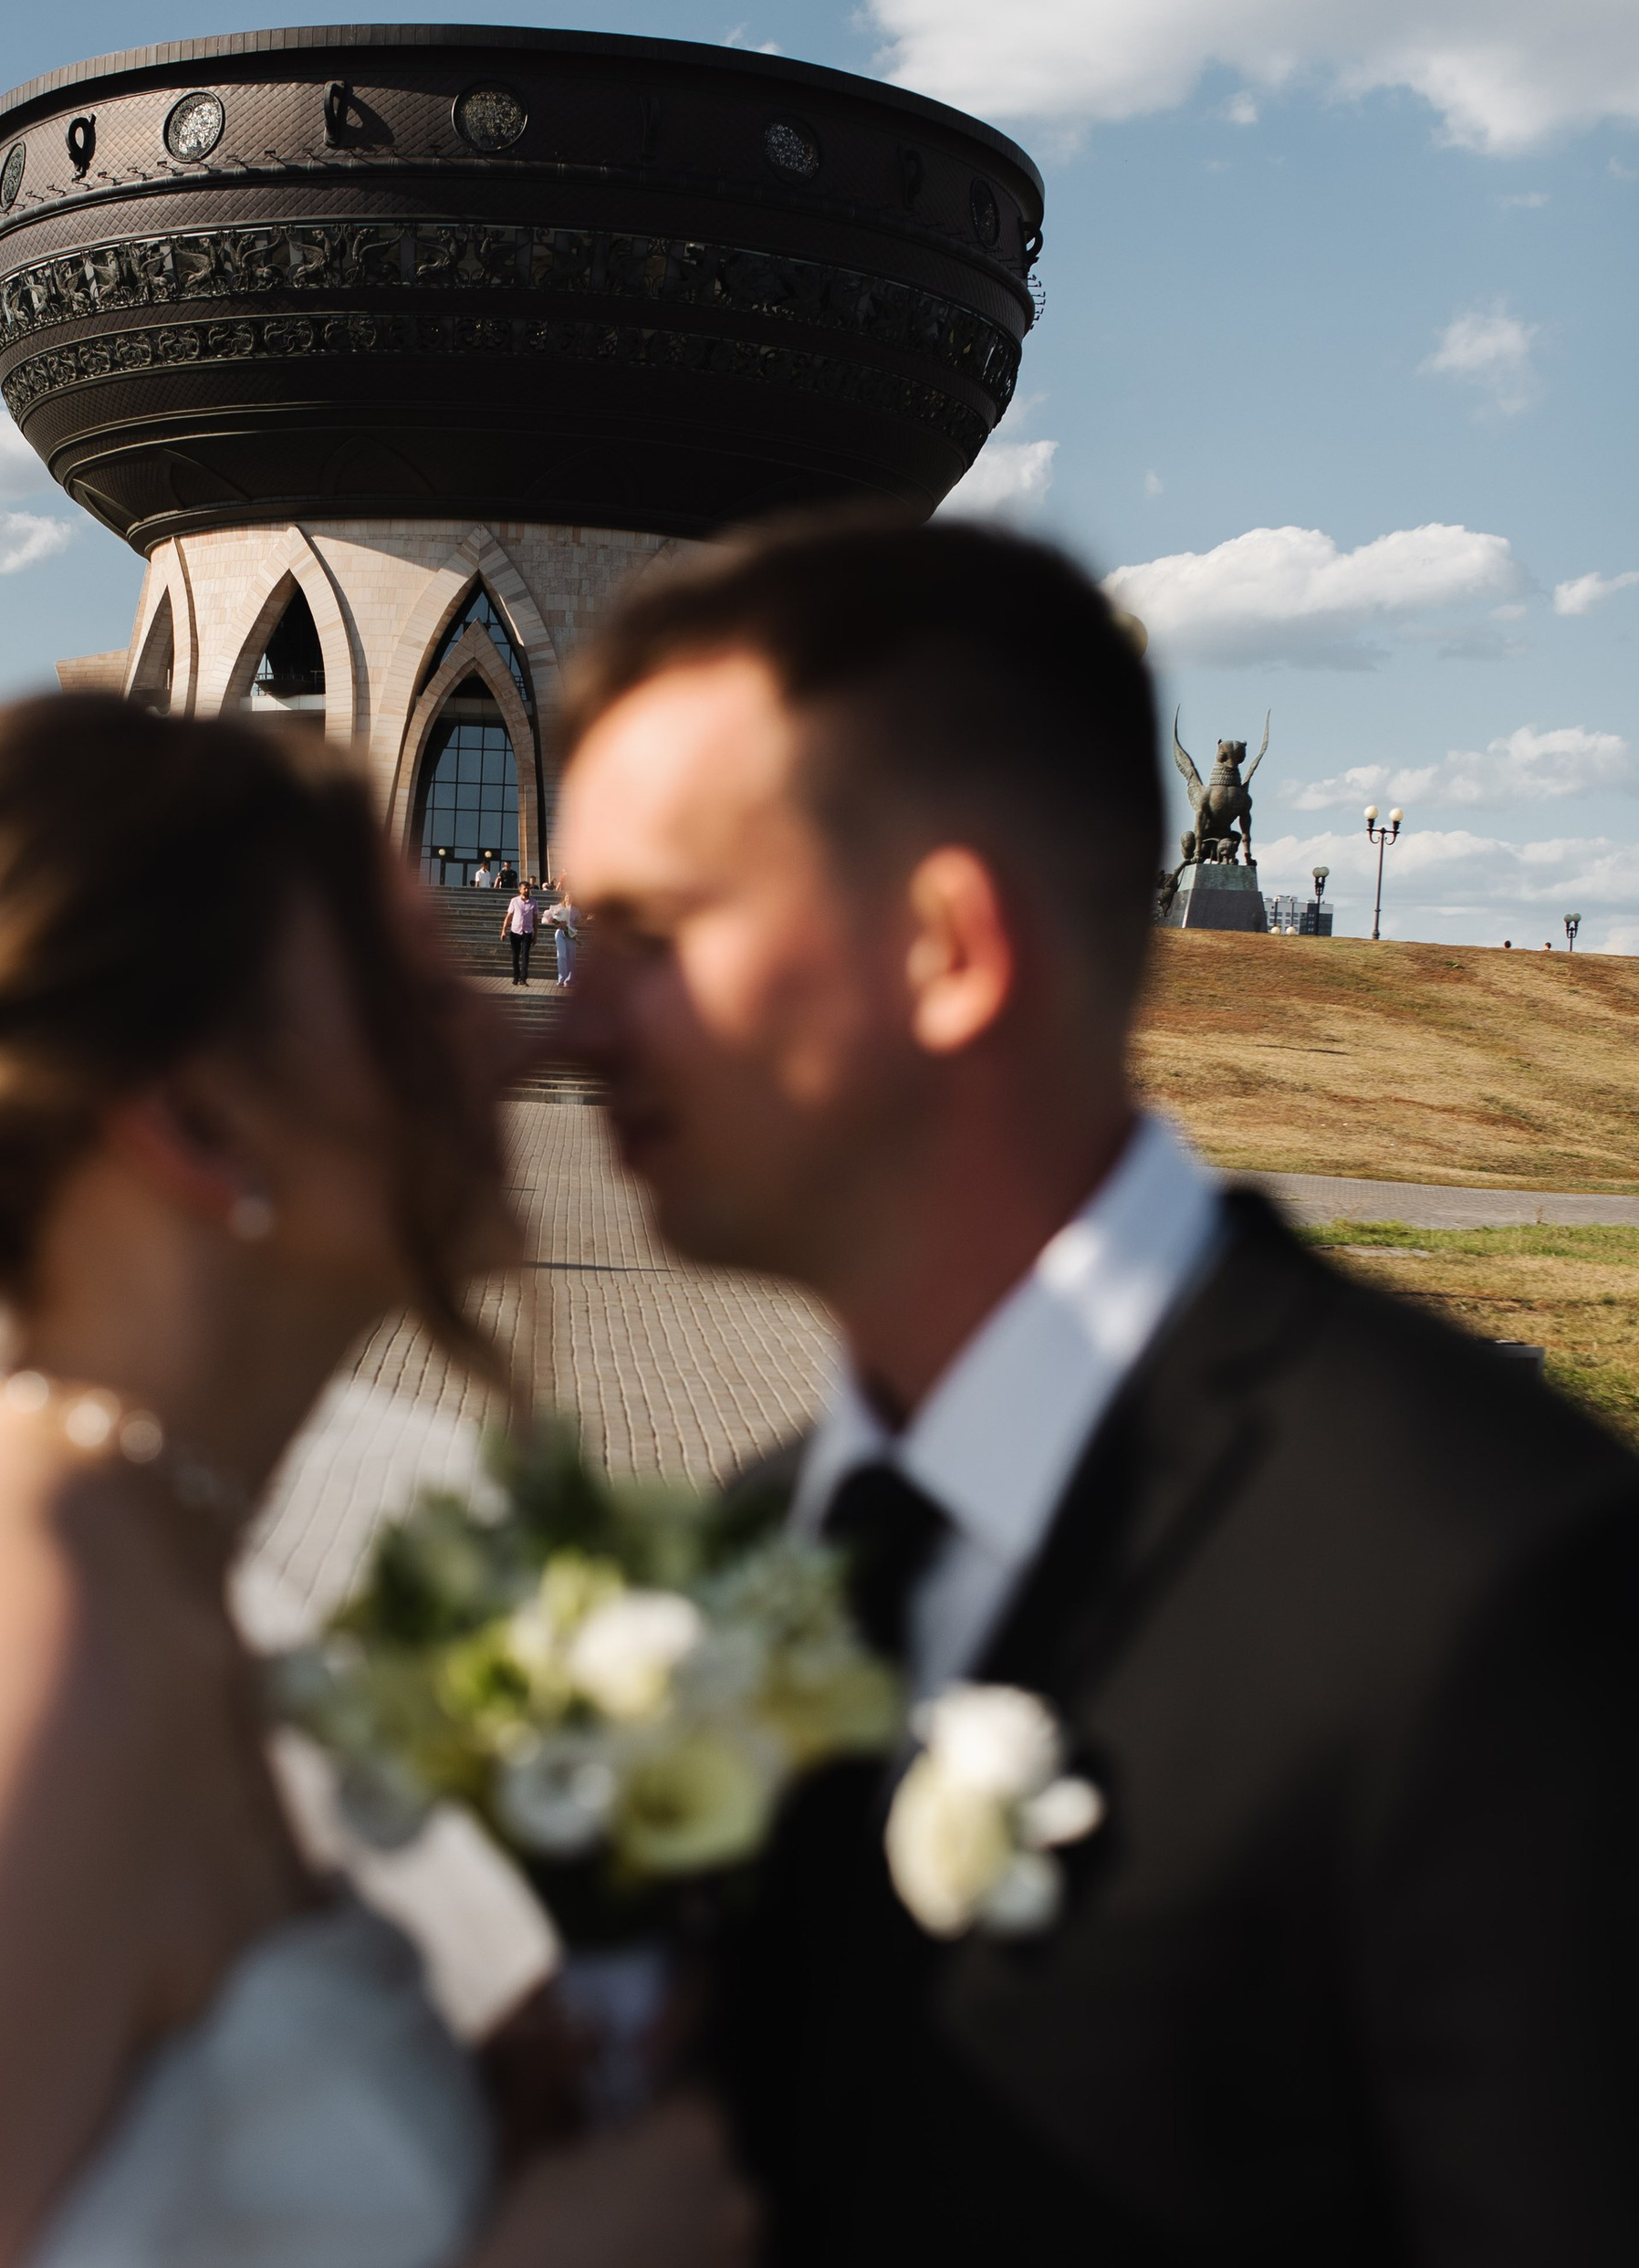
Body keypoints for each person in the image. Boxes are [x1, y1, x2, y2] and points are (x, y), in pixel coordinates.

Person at [554, 515, 1639, 2264]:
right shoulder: (740, 1550)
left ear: (947, 950)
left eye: (649, 931)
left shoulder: (1491, 1583)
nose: (574, 1022)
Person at [0, 695, 753, 2268]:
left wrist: (472, 2118)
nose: (517, 1033)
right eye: (412, 997)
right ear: (197, 1119)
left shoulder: (136, 1567)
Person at [542, 883, 579, 990]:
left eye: (571, 898)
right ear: (564, 898)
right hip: (560, 933)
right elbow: (547, 919)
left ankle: (570, 979)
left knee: (571, 956)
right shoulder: (558, 908)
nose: (569, 899)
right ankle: (562, 978)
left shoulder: (576, 910)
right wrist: (556, 923)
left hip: (571, 933)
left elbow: (579, 921)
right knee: (562, 956)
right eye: (567, 897)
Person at [502, 880, 538, 986]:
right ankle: (515, 976)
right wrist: (504, 930)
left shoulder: (534, 902)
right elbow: (509, 916)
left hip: (527, 931)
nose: (526, 890)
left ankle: (523, 978)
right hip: (515, 931)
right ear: (520, 889)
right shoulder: (514, 901)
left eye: (528, 888)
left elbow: (535, 919)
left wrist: (536, 935)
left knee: (525, 955)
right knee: (515, 956)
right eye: (524, 888)